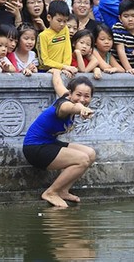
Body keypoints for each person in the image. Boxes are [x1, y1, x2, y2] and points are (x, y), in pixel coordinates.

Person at [23, 69, 96, 208]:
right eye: (78, 95)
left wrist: (55, 72)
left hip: (49, 143)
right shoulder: (64, 105)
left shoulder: (66, 94)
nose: (82, 99)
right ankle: (51, 192)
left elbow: (58, 84)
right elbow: (72, 106)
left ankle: (63, 190)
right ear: (71, 93)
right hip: (35, 148)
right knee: (82, 159)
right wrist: (81, 108)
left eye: (87, 96)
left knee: (90, 154)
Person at [37, 0, 75, 75]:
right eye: (59, 20)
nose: (62, 24)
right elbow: (44, 61)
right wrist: (63, 67)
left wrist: (66, 67)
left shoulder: (65, 29)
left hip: (64, 69)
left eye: (65, 21)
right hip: (46, 71)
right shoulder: (43, 36)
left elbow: (67, 50)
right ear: (49, 18)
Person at [113, 0, 134, 75]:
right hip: (120, 67)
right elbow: (120, 50)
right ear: (120, 18)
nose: (130, 19)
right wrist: (128, 68)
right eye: (126, 16)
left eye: (133, 16)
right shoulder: (118, 28)